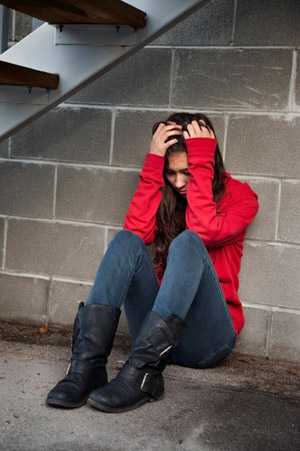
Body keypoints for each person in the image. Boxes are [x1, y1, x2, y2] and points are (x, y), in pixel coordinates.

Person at [46, 112, 259, 413]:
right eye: (171, 174)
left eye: (187, 171)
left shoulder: (242, 197)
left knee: (187, 241)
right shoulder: (167, 193)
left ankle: (143, 377)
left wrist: (201, 161)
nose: (180, 182)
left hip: (207, 341)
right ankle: (87, 366)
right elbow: (137, 231)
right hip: (155, 340)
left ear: (207, 163)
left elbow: (205, 230)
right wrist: (154, 161)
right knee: (126, 241)